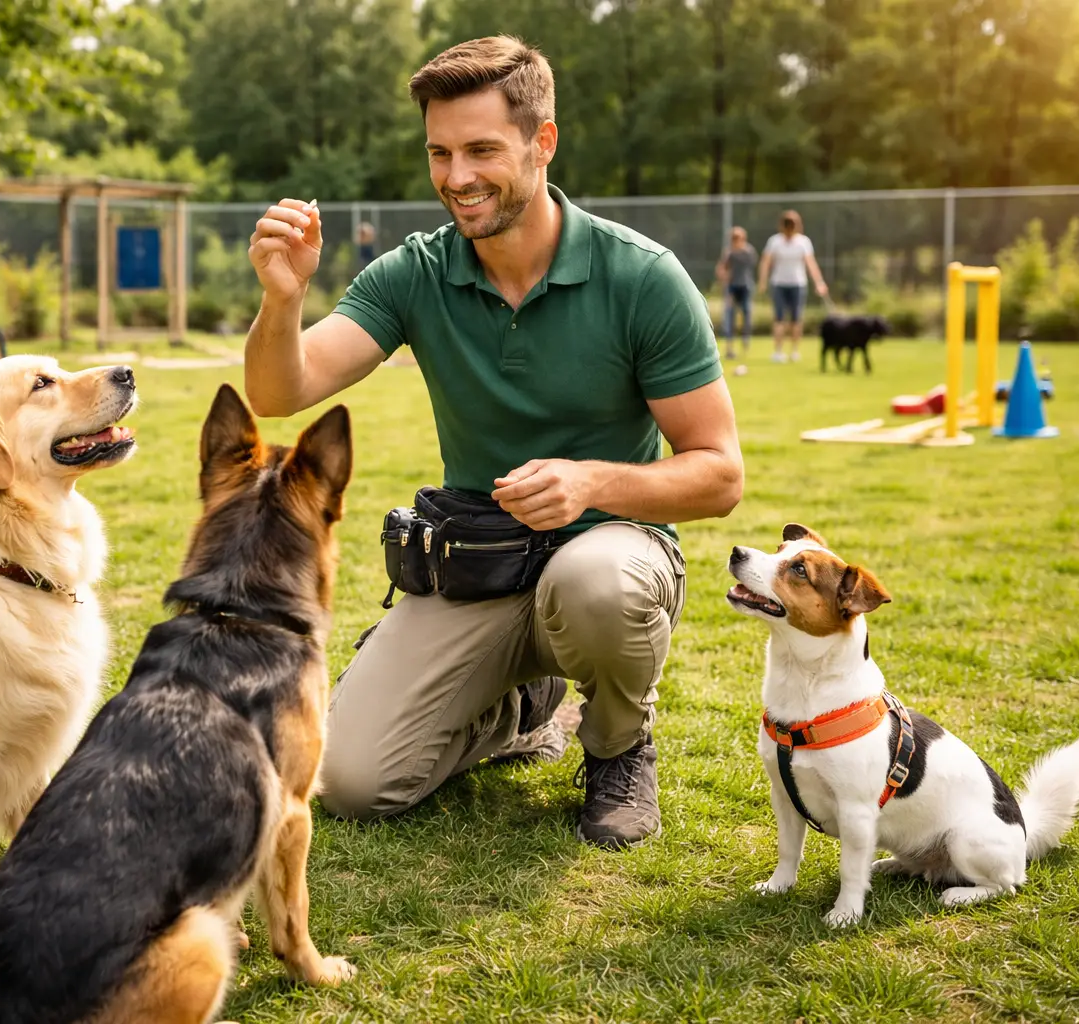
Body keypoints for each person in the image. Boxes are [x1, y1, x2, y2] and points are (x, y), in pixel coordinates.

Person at [242, 36, 743, 849]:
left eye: (481, 150)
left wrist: (588, 485)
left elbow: (719, 476)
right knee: (349, 782)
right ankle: (520, 709)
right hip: (477, 561)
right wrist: (283, 299)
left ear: (542, 143)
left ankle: (618, 747)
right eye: (439, 152)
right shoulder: (414, 273)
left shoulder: (643, 277)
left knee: (596, 583)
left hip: (607, 551)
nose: (456, 176)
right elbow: (277, 391)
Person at [757, 209, 828, 363]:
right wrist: (762, 281)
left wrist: (819, 282)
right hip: (779, 284)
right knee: (779, 318)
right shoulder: (774, 241)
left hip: (798, 284)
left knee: (796, 319)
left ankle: (794, 351)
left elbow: (811, 264)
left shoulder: (803, 242)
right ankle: (778, 351)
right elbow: (766, 262)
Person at [714, 226, 757, 361]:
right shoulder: (729, 253)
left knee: (746, 314)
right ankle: (729, 348)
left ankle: (745, 343)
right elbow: (722, 268)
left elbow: (752, 265)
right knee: (730, 315)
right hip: (732, 287)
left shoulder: (748, 252)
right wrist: (723, 276)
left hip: (745, 287)